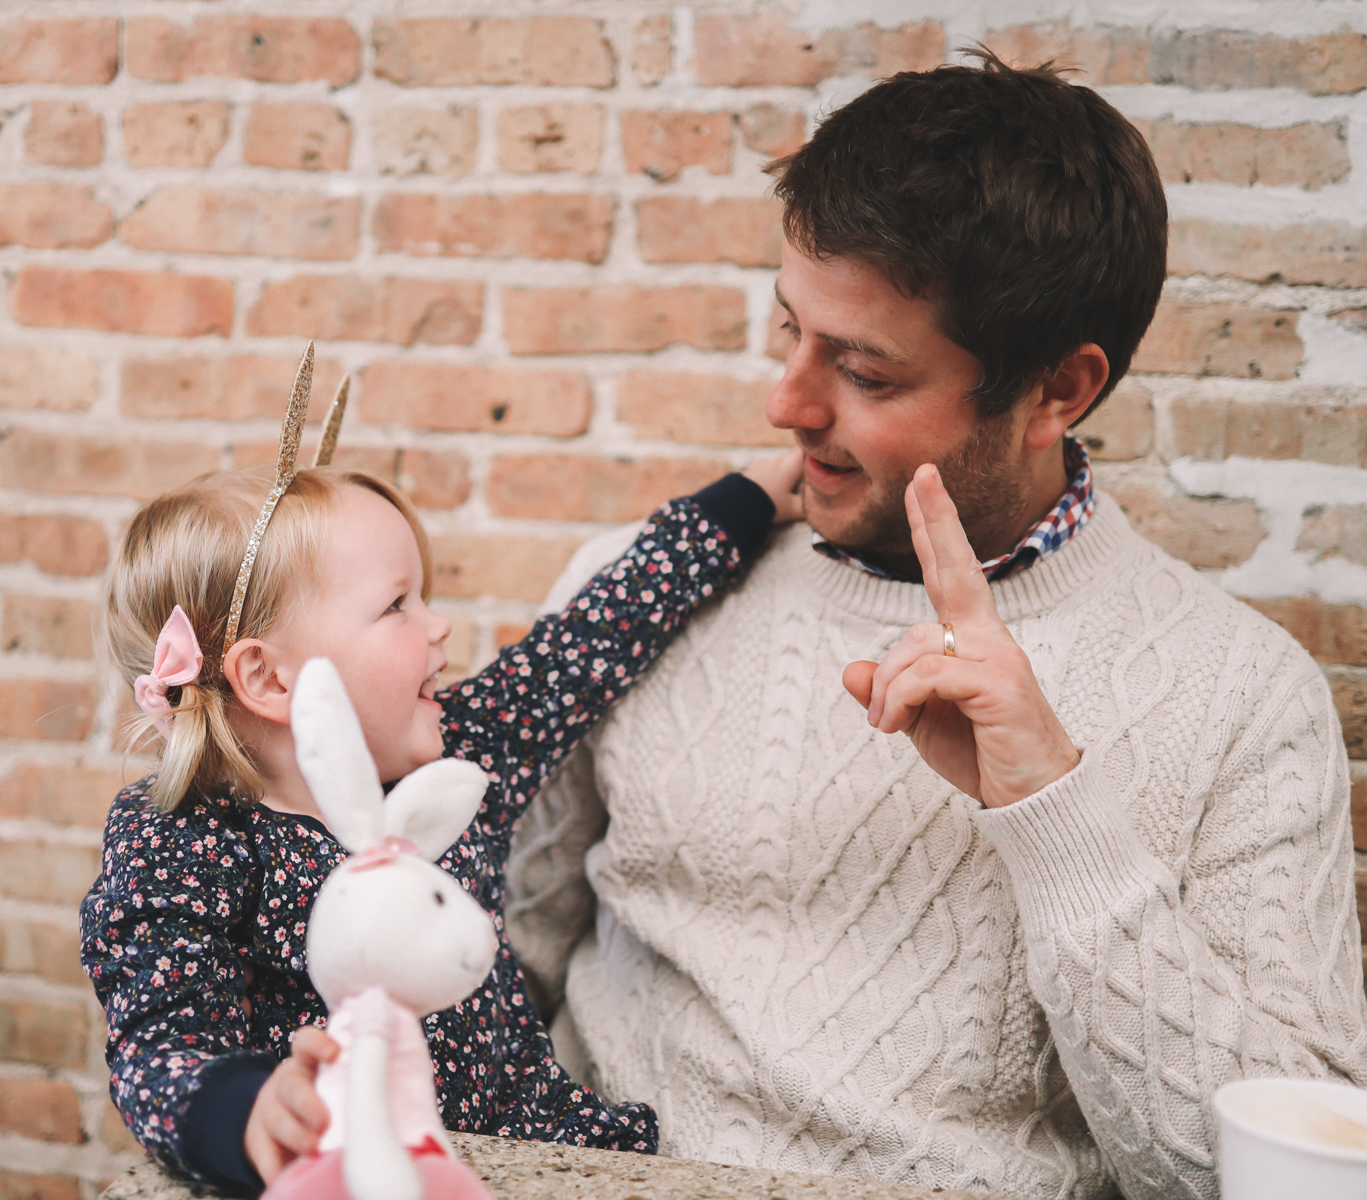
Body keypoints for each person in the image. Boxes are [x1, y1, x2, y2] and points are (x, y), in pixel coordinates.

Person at [507, 51, 1367, 1200]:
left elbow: (1267, 1179)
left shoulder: (1240, 696)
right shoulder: (638, 590)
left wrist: (1055, 811)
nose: (787, 403)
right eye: (790, 331)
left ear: (1059, 391)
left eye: (863, 370)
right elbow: (479, 961)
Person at [79, 372, 806, 1194]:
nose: (439, 625)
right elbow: (161, 1050)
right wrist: (251, 1113)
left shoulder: (454, 762)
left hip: (533, 1164)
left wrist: (737, 508)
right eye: (398, 605)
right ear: (270, 680)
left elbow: (582, 650)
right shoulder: (186, 839)